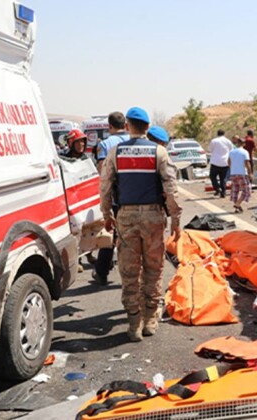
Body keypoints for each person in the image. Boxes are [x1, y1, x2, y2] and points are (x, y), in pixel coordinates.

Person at [99, 107, 181, 342]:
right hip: (154, 217)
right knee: (154, 269)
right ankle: (151, 319)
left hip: (126, 216)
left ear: (128, 126)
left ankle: (134, 323)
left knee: (129, 270)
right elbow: (171, 190)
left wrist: (107, 214)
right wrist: (175, 220)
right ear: (148, 127)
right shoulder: (160, 152)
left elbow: (104, 187)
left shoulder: (115, 152)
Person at [92, 112, 129, 285]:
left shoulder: (105, 145)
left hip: (115, 199)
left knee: (111, 237)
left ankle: (101, 273)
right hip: (134, 199)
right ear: (125, 125)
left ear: (109, 126)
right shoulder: (133, 141)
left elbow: (102, 171)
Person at [228, 137, 252, 213]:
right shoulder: (245, 152)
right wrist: (250, 173)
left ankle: (237, 207)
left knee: (235, 190)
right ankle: (238, 204)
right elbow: (247, 164)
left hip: (233, 173)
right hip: (242, 173)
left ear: (237, 143)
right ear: (244, 144)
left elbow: (228, 162)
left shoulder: (231, 152)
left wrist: (233, 168)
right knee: (246, 191)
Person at [208, 129, 232, 198]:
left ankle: (217, 188)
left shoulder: (214, 141)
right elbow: (231, 150)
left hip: (215, 162)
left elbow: (210, 150)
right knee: (223, 178)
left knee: (212, 176)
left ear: (217, 134)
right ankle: (223, 192)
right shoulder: (228, 141)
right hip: (225, 162)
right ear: (224, 133)